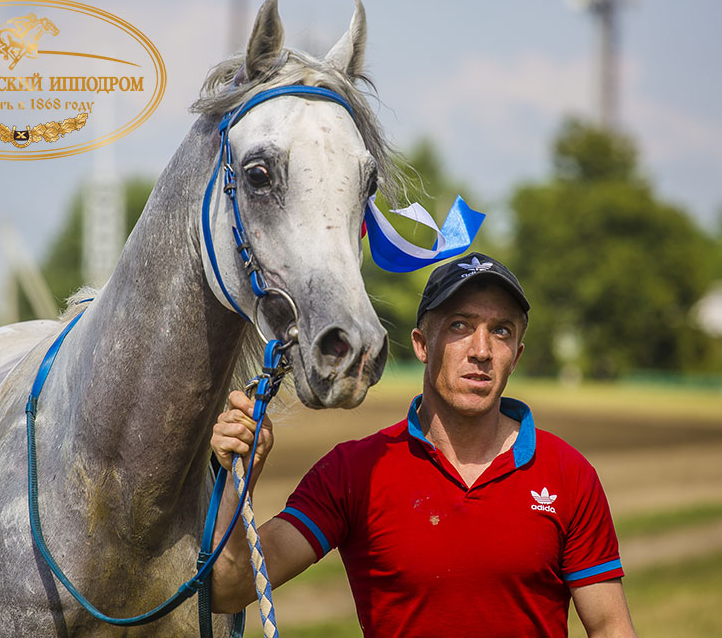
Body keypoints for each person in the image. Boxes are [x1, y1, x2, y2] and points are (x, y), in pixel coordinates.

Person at [210, 252, 637, 637]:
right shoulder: (354, 472)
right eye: (460, 326)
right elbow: (229, 589)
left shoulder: (568, 473)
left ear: (517, 354)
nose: (482, 350)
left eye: (501, 331)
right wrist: (238, 478)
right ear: (421, 344)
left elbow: (610, 628)